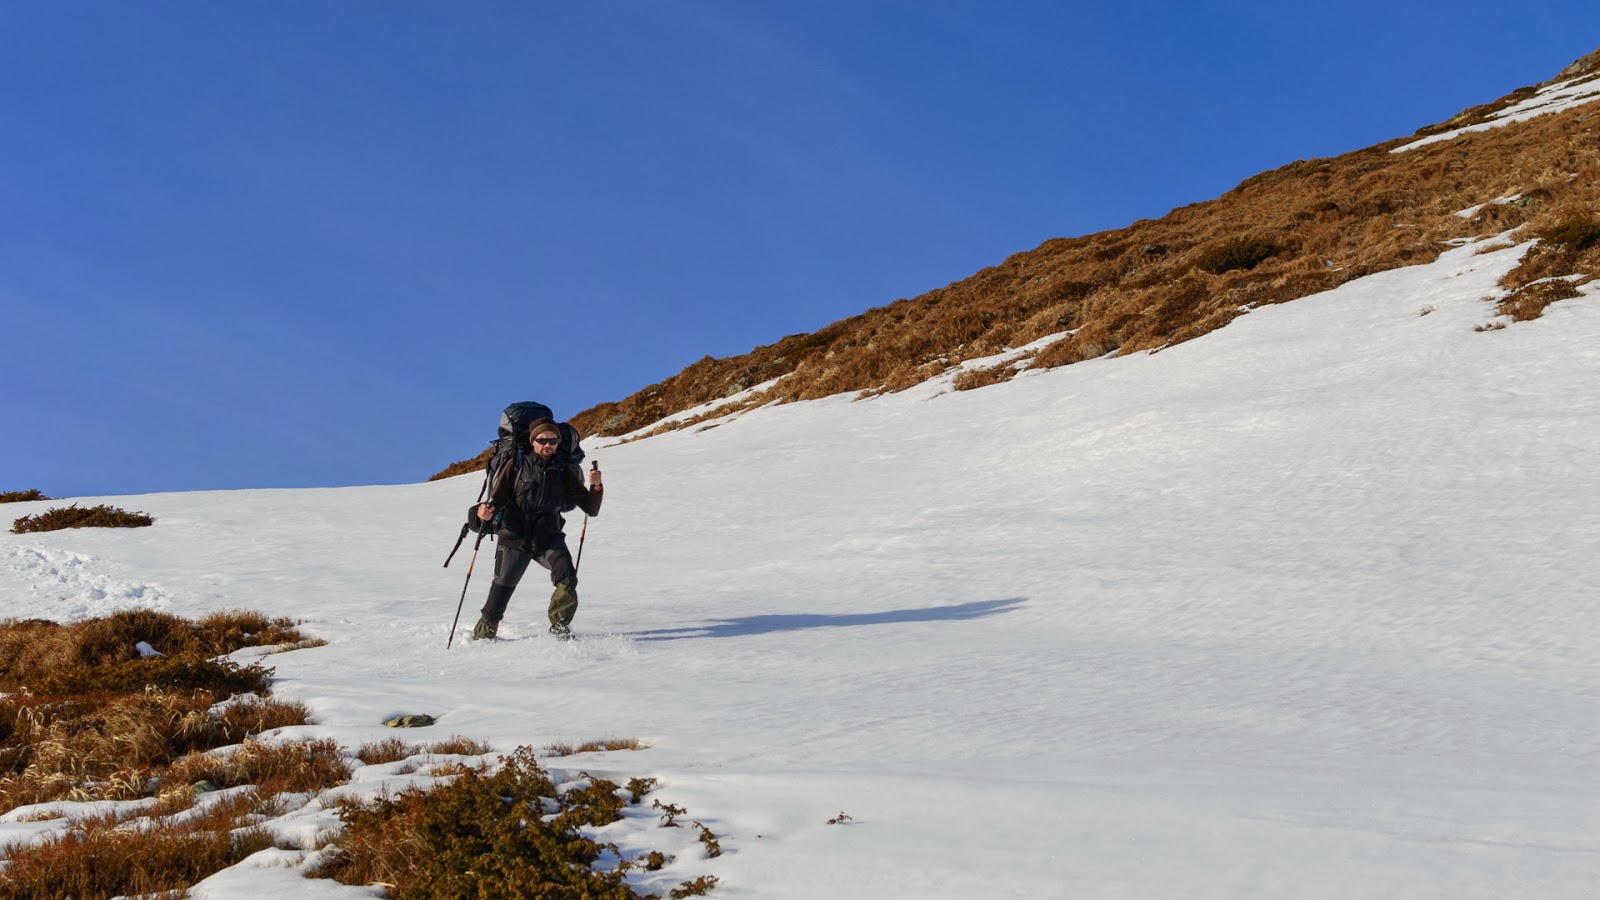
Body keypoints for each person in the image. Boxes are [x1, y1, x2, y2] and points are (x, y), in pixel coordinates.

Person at [472, 419, 603, 640]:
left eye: (553, 440)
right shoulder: (516, 465)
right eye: (542, 440)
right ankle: (483, 636)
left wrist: (596, 486)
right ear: (533, 442)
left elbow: (591, 508)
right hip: (515, 536)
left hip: (548, 536)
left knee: (567, 578)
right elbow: (498, 497)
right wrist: (485, 510)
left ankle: (560, 629)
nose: (547, 445)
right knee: (502, 589)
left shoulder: (563, 470)